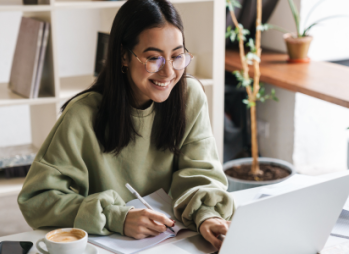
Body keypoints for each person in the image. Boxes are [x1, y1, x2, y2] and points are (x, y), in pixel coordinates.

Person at [17, 0, 234, 250]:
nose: (169, 73)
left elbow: (201, 174)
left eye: (177, 56)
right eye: (154, 58)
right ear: (123, 56)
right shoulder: (83, 115)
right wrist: (117, 217)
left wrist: (208, 215)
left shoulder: (190, 97)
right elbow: (38, 200)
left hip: (173, 243)